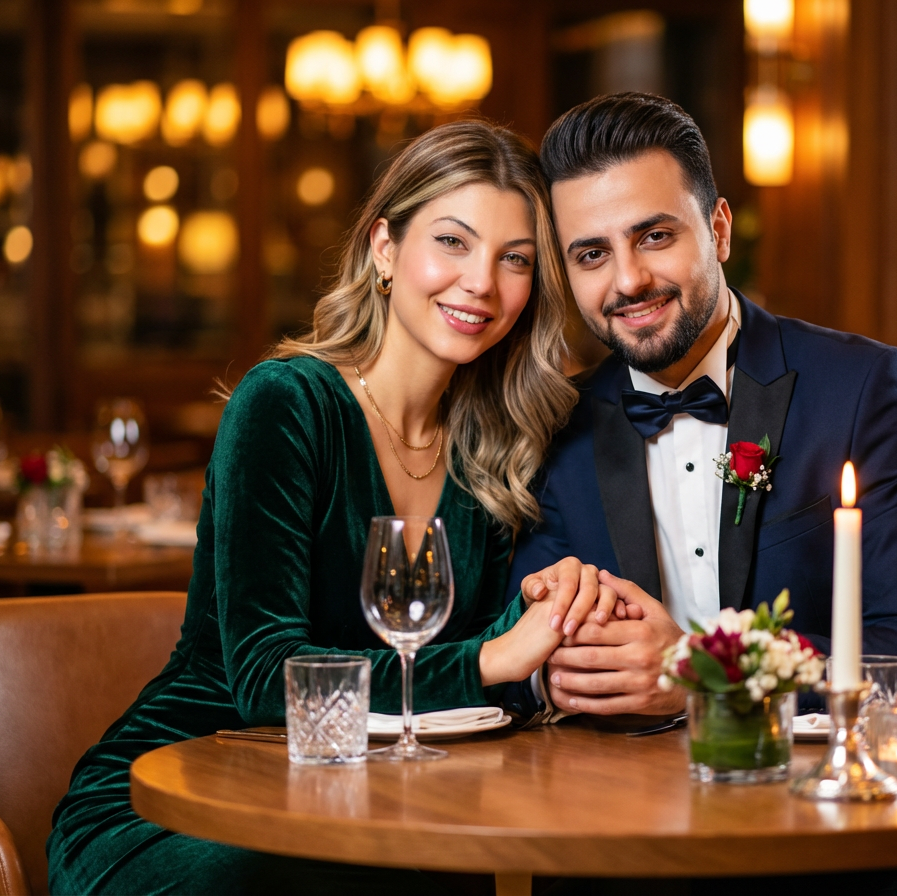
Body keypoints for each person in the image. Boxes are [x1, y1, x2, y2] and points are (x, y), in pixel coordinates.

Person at [47, 119, 624, 896]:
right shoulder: (285, 405)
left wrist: (551, 619)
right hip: (186, 797)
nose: (482, 283)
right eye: (452, 242)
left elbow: (477, 672)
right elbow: (263, 678)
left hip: (368, 803)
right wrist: (493, 657)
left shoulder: (498, 448)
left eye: (513, 259)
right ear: (385, 249)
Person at [510, 91, 897, 725]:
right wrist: (554, 667)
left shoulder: (868, 389)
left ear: (719, 229)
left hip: (851, 793)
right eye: (592, 254)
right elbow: (528, 652)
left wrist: (704, 672)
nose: (627, 281)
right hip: (635, 797)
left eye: (653, 236)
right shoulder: (557, 426)